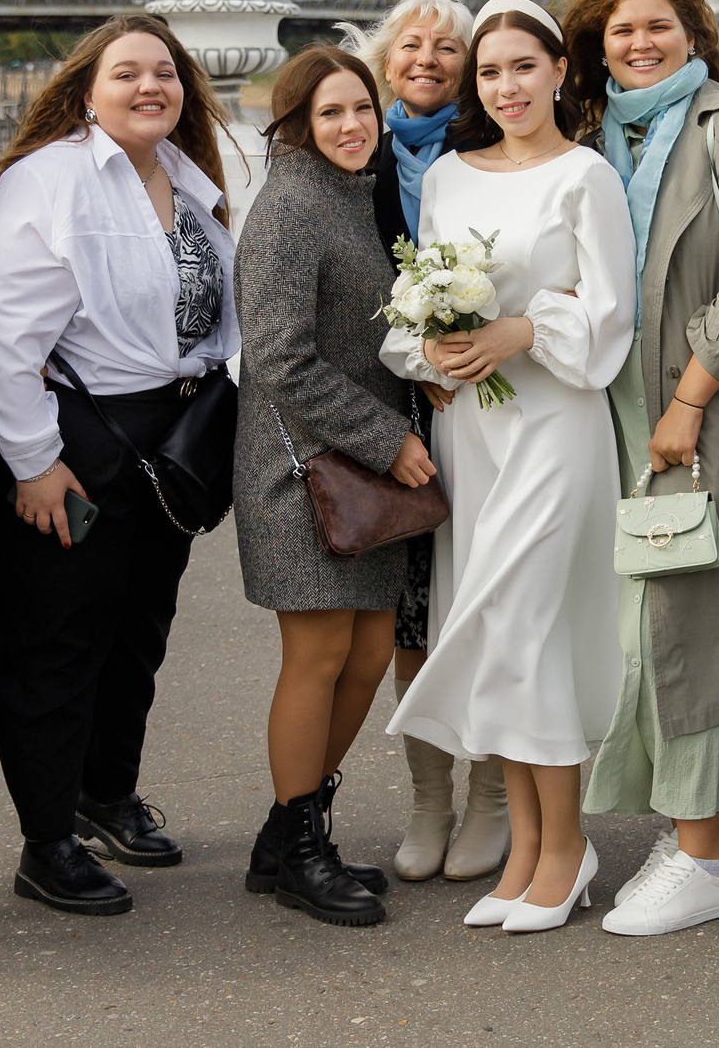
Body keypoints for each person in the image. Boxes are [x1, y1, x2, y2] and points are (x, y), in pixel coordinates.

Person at [0, 14, 243, 918]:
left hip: (171, 444)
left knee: (137, 633)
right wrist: (33, 461)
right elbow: (6, 334)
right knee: (54, 641)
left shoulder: (190, 182)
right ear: (87, 88)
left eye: (164, 71)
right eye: (127, 72)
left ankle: (105, 793)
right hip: (75, 439)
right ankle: (46, 841)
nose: (149, 86)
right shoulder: (46, 180)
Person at [559, 0, 719, 939]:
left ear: (694, 32)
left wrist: (689, 398)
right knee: (632, 627)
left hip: (709, 402)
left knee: (687, 617)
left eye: (657, 25)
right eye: (620, 30)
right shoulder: (591, 139)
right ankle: (678, 828)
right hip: (610, 410)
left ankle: (705, 857)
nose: (639, 42)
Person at [380, 0, 636, 934]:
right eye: (489, 72)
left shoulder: (587, 176)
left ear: (559, 71)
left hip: (555, 419)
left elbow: (610, 315)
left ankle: (565, 850)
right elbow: (420, 296)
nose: (506, 85)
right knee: (496, 634)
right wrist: (434, 350)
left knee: (528, 623)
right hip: (474, 430)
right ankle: (526, 848)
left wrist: (523, 326)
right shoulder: (447, 173)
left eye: (522, 66)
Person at [230, 46, 438, 928]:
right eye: (329, 113)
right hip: (301, 470)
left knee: (362, 656)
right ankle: (299, 852)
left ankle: (290, 832)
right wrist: (388, 437)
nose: (352, 125)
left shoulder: (355, 194)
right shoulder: (290, 205)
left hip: (355, 472)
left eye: (362, 107)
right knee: (317, 658)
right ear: (296, 125)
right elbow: (278, 354)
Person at [341, 0, 504, 884]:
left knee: (489, 596)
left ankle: (492, 793)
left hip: (485, 398)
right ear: (385, 56)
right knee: (413, 612)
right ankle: (429, 794)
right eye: (414, 43)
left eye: (451, 47)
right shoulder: (350, 150)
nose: (429, 58)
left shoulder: (496, 149)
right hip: (390, 414)